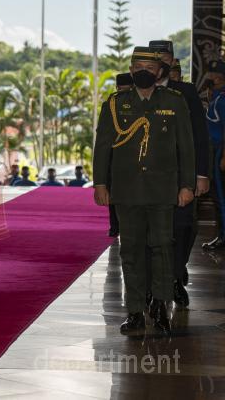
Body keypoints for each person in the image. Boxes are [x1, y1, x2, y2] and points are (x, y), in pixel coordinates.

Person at [93, 46, 195, 335]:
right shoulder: (116, 103)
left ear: (159, 72)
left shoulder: (173, 101)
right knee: (131, 251)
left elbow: (186, 146)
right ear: (131, 69)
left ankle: (160, 307)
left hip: (163, 189)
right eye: (138, 67)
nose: (143, 73)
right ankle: (135, 311)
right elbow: (103, 146)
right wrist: (100, 183)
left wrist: (187, 184)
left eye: (149, 68)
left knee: (162, 247)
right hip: (127, 190)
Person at [150, 40, 210, 306]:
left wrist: (201, 174)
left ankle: (175, 276)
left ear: (173, 61)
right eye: (155, 58)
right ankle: (155, 284)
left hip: (181, 175)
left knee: (183, 227)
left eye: (165, 58)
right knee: (150, 231)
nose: (160, 63)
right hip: (148, 177)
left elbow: (200, 134)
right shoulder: (138, 89)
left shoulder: (185, 92)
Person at [202, 60, 225, 252]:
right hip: (213, 150)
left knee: (221, 197)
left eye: (213, 74)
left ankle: (223, 237)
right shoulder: (215, 97)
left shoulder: (222, 100)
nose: (210, 77)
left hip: (219, 151)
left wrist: (224, 156)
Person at [107, 73, 133, 237]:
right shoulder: (111, 103)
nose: (123, 93)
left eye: (126, 90)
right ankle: (115, 226)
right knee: (114, 193)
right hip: (115, 154)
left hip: (135, 155)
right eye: (120, 89)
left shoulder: (139, 103)